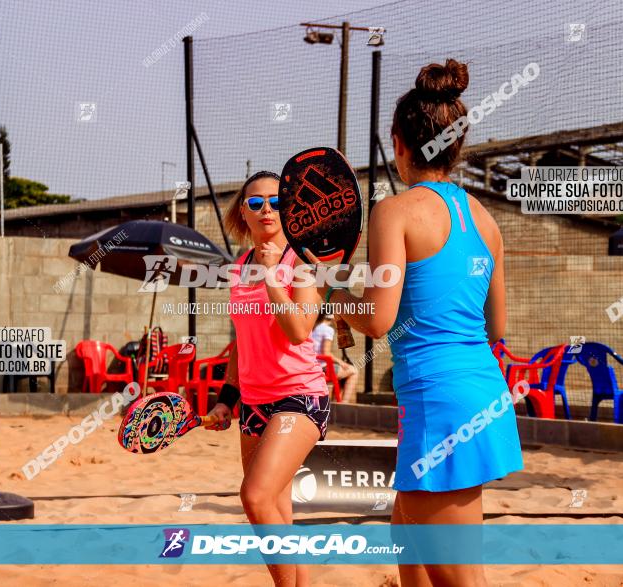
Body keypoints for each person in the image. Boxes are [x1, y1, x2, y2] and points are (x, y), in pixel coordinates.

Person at [304, 59, 523, 587]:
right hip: (481, 395)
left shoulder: (396, 212)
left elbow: (378, 318)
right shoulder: (485, 219)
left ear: (400, 143)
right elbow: (497, 327)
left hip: (438, 403)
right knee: (411, 547)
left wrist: (332, 294)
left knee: (460, 580)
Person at [205, 170, 329, 587]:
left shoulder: (302, 261)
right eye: (255, 203)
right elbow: (242, 341)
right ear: (244, 211)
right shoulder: (239, 267)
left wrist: (274, 274)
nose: (266, 209)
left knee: (254, 496)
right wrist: (227, 398)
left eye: (275, 201)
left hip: (299, 397)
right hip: (254, 402)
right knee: (277, 513)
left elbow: (299, 330)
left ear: (289, 208)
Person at [311, 312, 359, 402]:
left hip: (312, 367)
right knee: (353, 371)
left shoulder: (314, 327)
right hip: (323, 369)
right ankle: (344, 404)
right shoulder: (328, 329)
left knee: (342, 372)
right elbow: (326, 353)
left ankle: (336, 401)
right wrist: (343, 363)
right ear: (332, 316)